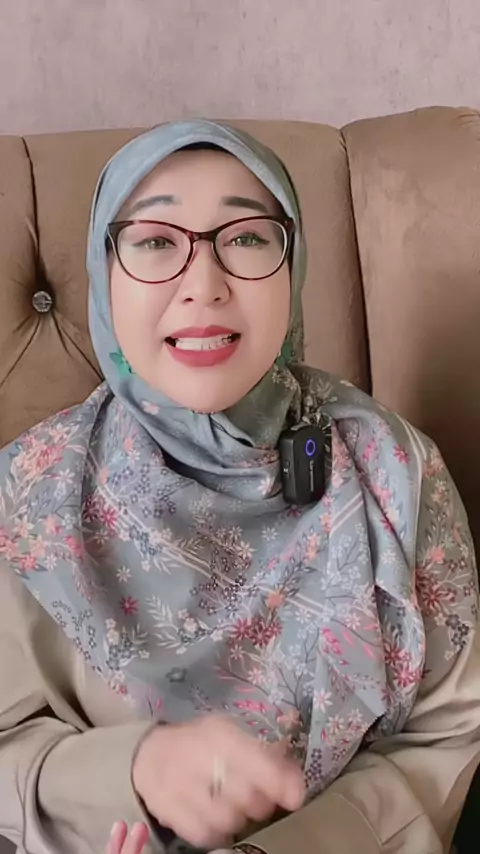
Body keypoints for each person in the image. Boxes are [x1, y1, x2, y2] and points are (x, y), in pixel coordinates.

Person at [0, 119, 478, 854]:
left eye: (248, 236)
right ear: (104, 275)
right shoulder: (26, 497)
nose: (203, 285)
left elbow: (450, 732)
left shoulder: (396, 470)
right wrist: (134, 773)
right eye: (155, 241)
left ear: (293, 268)